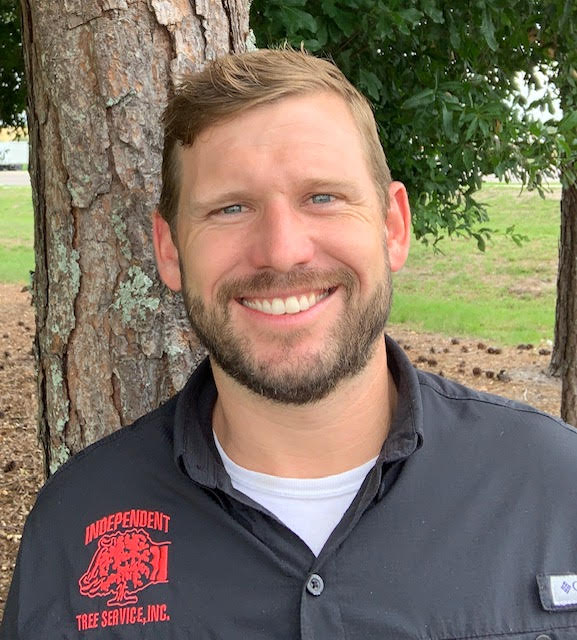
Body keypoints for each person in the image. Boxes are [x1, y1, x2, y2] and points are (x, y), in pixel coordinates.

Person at [2, 48, 577, 640]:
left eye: (322, 197)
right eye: (231, 208)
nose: (281, 250)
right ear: (170, 249)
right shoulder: (76, 528)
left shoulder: (559, 489)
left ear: (393, 227)